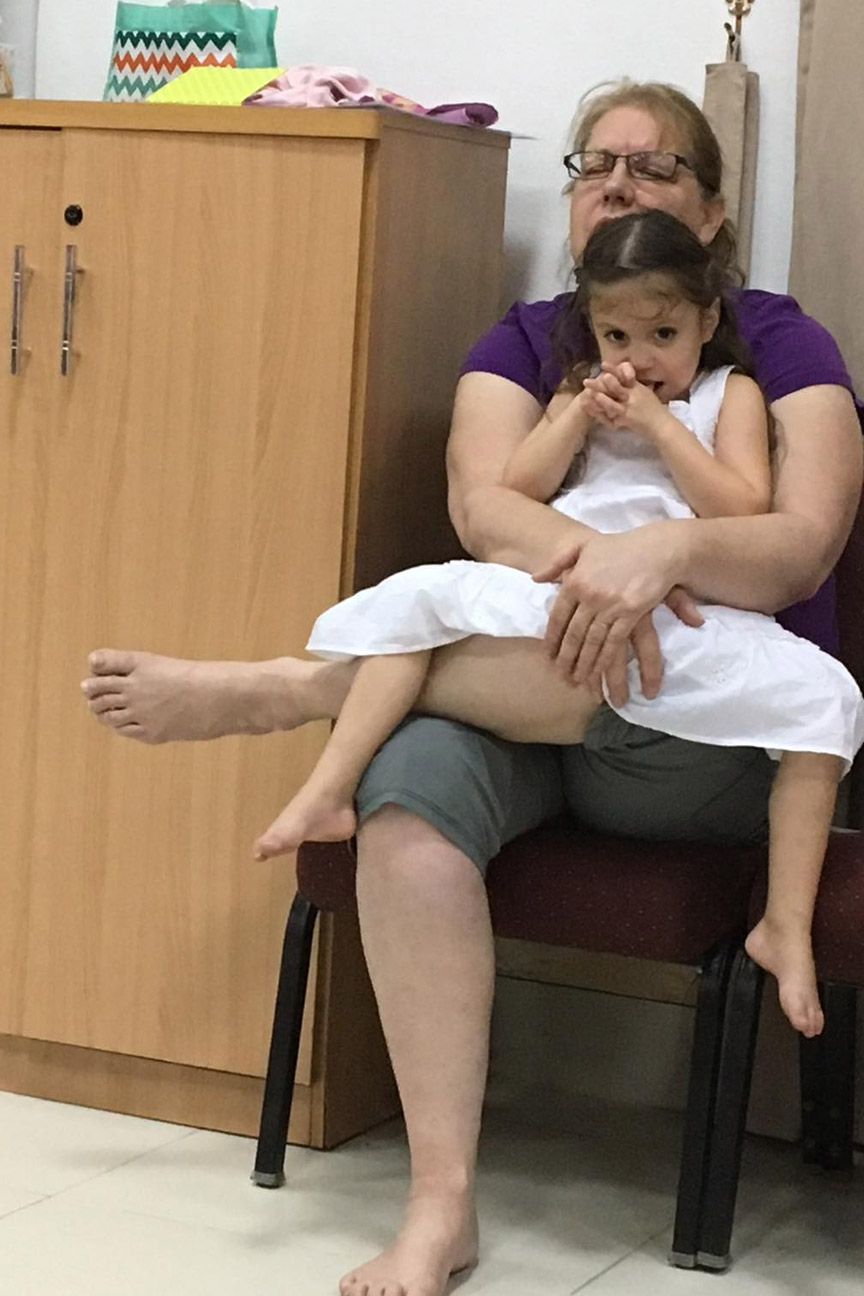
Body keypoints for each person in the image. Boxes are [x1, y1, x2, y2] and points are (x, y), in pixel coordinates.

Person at [81, 81, 863, 1296]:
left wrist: (662, 555)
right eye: (595, 161)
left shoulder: (773, 345)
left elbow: (797, 540)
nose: (617, 182)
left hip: (695, 715)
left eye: (655, 169)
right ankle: (441, 1206)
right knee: (409, 794)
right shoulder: (536, 343)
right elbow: (481, 506)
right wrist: (597, 561)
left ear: (711, 214)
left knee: (607, 653)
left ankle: (299, 689)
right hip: (531, 666)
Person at [242, 208, 861, 1046]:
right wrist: (574, 412)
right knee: (425, 613)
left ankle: (783, 921)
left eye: (664, 332)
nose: (637, 357)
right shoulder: (578, 386)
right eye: (615, 334)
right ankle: (327, 789)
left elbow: (743, 504)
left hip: (684, 603)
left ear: (708, 321)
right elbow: (517, 484)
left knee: (824, 706)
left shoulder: (731, 392)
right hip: (562, 583)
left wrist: (659, 427)